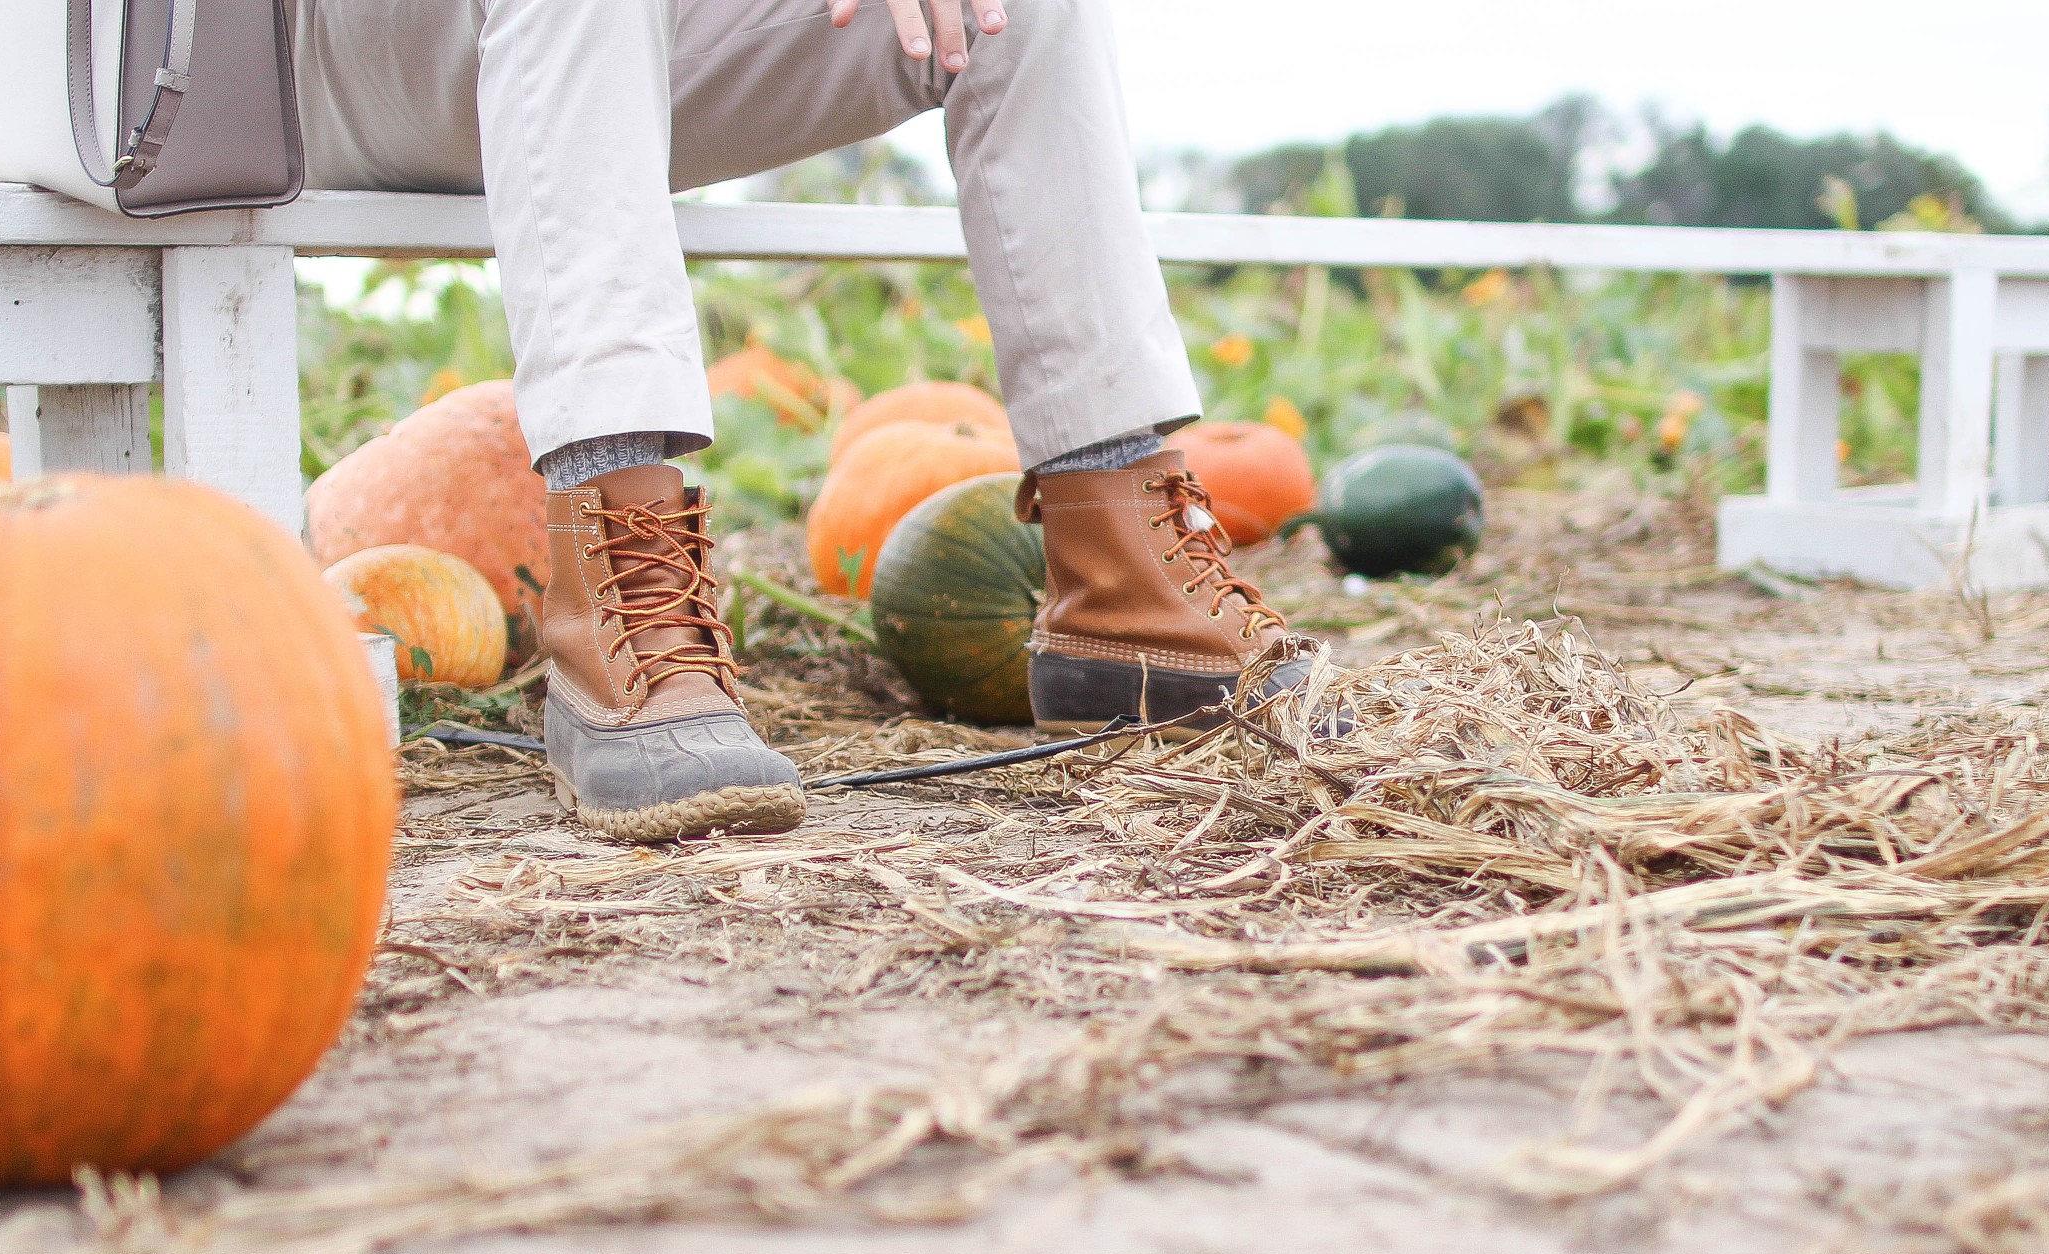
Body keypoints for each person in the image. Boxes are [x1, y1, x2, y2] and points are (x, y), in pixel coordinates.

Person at [297, 0, 1303, 840]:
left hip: (606, 46)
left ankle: (1125, 586)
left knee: (1009, 6)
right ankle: (619, 578)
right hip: (303, 63)